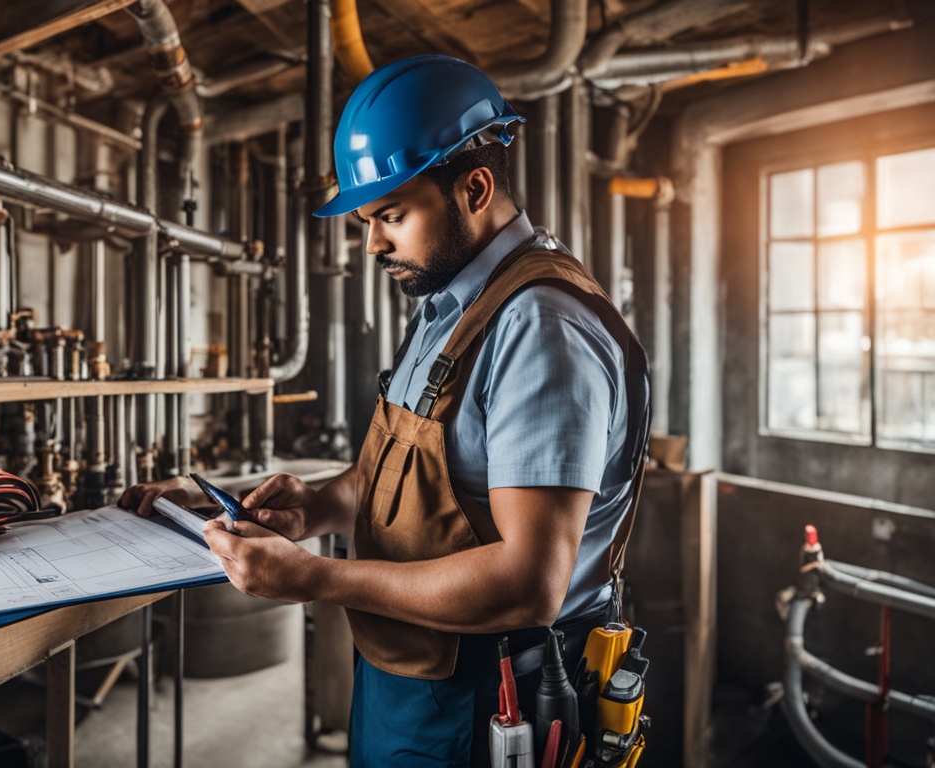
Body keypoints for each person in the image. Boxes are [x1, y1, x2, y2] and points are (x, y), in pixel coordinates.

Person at [120, 54, 650, 767]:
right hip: (407, 679)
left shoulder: (540, 328)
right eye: (368, 220)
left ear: (475, 187)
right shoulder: (446, 308)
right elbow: (407, 481)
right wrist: (314, 507)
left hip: (493, 700)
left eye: (392, 216)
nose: (372, 243)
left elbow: (528, 584)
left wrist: (314, 578)